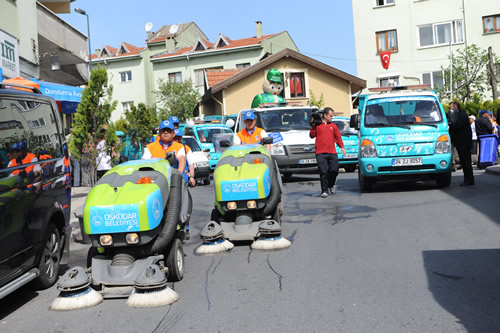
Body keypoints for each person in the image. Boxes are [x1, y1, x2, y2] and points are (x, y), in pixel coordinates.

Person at [309, 107, 346, 198]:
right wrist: (313, 124)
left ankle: (330, 185)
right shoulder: (317, 125)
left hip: (332, 152)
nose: (332, 117)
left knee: (334, 170)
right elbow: (311, 135)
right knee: (323, 171)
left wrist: (341, 147)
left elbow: (338, 137)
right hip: (320, 153)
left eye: (332, 116)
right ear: (325, 115)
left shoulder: (333, 126)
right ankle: (324, 190)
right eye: (330, 116)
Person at [448, 101, 474, 186]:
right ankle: (468, 178)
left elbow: (456, 125)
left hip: (464, 142)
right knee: (464, 161)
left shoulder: (461, 115)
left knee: (466, 161)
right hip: (460, 142)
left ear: (455, 108)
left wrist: (451, 122)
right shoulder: (458, 115)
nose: (450, 110)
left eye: (451, 108)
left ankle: (469, 179)